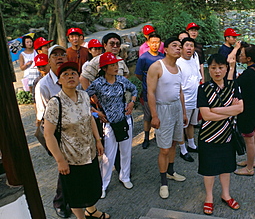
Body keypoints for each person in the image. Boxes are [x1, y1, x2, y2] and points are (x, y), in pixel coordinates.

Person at [43, 61, 109, 219]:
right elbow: (48, 135)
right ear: (59, 80)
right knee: (75, 193)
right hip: (71, 158)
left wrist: (98, 140)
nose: (70, 76)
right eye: (65, 74)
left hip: (89, 152)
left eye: (73, 73)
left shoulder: (84, 96)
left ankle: (92, 210)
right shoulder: (55, 103)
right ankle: (81, 217)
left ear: (79, 77)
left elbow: (90, 118)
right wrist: (60, 160)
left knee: (92, 186)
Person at [197, 53, 243, 215]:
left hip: (227, 135)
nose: (217, 71)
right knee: (209, 169)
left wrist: (216, 110)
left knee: (226, 168)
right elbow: (206, 115)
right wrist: (230, 111)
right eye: (213, 68)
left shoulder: (233, 86)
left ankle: (226, 194)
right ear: (208, 69)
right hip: (208, 136)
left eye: (221, 67)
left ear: (226, 69)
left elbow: (240, 108)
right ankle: (209, 197)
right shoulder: (203, 88)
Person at [86, 52, 137, 198]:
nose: (116, 67)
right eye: (112, 65)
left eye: (116, 64)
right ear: (104, 68)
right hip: (109, 123)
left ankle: (125, 177)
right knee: (109, 155)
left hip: (124, 119)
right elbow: (82, 99)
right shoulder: (97, 84)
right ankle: (103, 184)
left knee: (126, 151)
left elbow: (134, 89)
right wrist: (96, 113)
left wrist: (132, 103)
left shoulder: (121, 80)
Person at [147, 37, 188, 199]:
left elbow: (180, 92)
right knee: (164, 148)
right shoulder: (157, 67)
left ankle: (171, 171)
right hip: (162, 108)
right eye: (174, 46)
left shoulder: (179, 68)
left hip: (176, 107)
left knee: (174, 143)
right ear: (166, 49)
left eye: (180, 46)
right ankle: (163, 181)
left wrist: (183, 112)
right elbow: (150, 92)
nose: (178, 48)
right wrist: (154, 115)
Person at [34, 44, 71, 218]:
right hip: (56, 131)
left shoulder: (71, 77)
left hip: (74, 129)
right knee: (64, 165)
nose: (59, 57)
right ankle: (60, 202)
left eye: (62, 54)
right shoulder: (43, 85)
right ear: (49, 61)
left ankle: (74, 198)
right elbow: (42, 117)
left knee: (75, 165)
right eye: (54, 55)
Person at [228, 42, 255, 176]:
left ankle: (249, 168)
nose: (239, 57)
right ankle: (251, 161)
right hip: (253, 107)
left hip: (247, 109)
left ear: (248, 59)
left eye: (241, 55)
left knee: (248, 138)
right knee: (253, 134)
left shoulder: (249, 73)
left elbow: (233, 84)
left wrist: (232, 69)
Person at [135, 33, 165, 149]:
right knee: (147, 116)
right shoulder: (143, 58)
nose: (155, 45)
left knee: (160, 114)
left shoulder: (162, 57)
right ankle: (146, 137)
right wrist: (148, 81)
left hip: (160, 92)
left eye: (157, 42)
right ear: (148, 43)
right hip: (148, 92)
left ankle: (159, 135)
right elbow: (138, 74)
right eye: (152, 42)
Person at [176, 37, 202, 162]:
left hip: (195, 99)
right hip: (184, 101)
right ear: (181, 48)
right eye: (187, 45)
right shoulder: (178, 63)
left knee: (191, 123)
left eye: (191, 46)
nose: (189, 48)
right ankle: (182, 149)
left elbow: (198, 78)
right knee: (181, 125)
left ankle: (191, 144)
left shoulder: (194, 60)